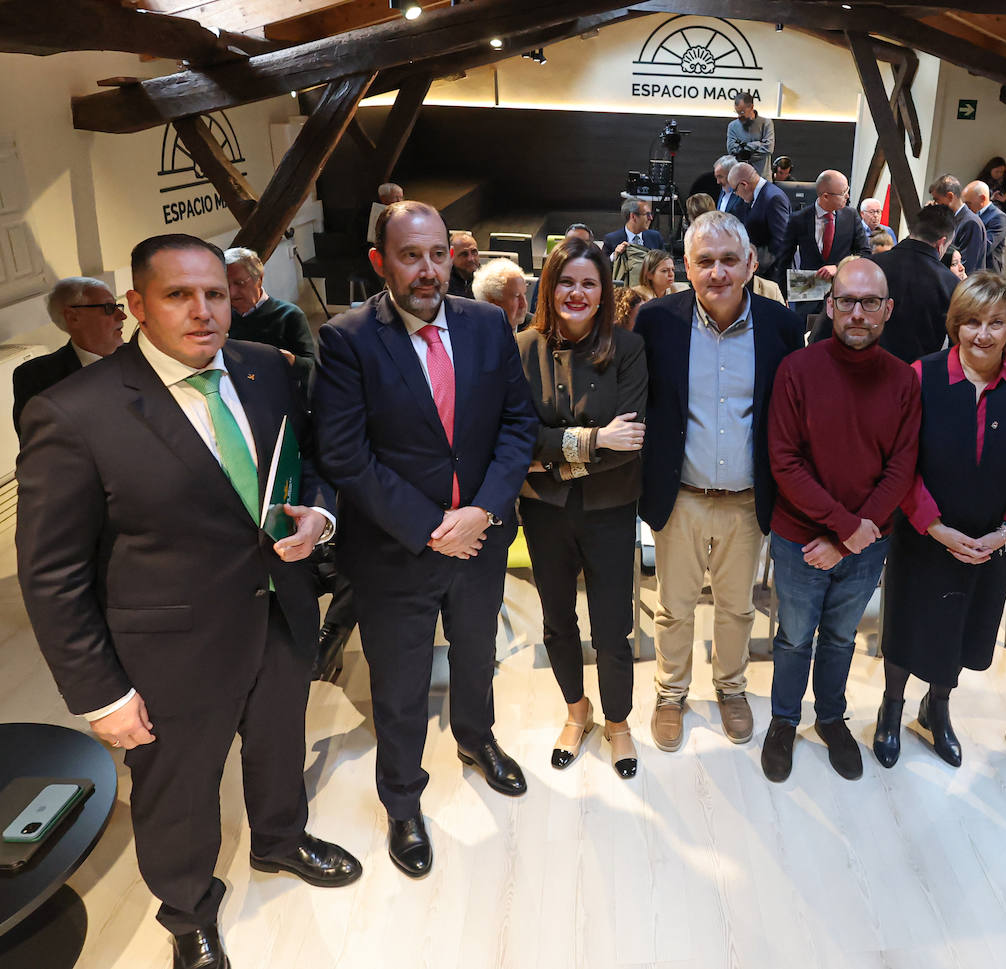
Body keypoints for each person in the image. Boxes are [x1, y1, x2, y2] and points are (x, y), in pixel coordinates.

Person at [17, 233, 361, 969]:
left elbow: (313, 465)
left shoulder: (267, 368)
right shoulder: (73, 413)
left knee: (278, 744)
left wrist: (319, 516)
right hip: (170, 645)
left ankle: (279, 838)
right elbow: (51, 574)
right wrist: (101, 693)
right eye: (178, 295)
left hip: (279, 612)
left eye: (213, 293)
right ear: (137, 305)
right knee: (176, 786)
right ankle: (187, 908)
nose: (203, 310)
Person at [313, 201, 539, 877]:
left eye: (438, 253)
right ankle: (404, 800)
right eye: (411, 255)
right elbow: (345, 454)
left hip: (479, 543)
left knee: (477, 656)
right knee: (401, 684)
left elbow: (518, 426)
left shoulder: (486, 325)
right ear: (381, 262)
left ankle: (477, 740)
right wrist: (430, 527)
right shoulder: (346, 338)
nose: (428, 269)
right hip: (393, 551)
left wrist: (482, 511)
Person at [635, 210, 804, 752]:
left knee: (737, 606)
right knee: (674, 606)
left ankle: (731, 689)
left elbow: (789, 413)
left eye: (729, 260)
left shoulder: (780, 325)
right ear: (686, 265)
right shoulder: (657, 321)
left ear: (750, 264)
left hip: (747, 500)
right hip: (680, 496)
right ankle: (669, 694)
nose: (717, 273)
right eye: (704, 261)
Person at [875, 272, 1006, 770]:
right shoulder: (921, 375)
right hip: (924, 534)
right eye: (972, 322)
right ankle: (893, 705)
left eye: (996, 323)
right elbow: (899, 462)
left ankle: (938, 705)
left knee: (965, 628)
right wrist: (934, 526)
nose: (983, 334)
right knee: (908, 625)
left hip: (993, 540)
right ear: (955, 325)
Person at [762, 258, 920, 783]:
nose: (857, 313)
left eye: (869, 302)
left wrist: (854, 536)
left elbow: (902, 467)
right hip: (801, 539)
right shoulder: (797, 370)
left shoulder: (903, 380)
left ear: (887, 310)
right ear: (829, 306)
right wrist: (840, 529)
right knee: (794, 637)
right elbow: (784, 462)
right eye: (847, 301)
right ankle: (784, 720)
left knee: (840, 638)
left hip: (868, 541)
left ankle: (830, 717)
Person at [517, 238, 648, 779]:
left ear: (603, 292)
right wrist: (595, 441)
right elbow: (521, 438)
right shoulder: (523, 347)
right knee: (555, 622)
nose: (577, 292)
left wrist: (556, 455)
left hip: (611, 508)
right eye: (566, 281)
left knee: (613, 626)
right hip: (543, 514)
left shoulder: (628, 348)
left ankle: (618, 722)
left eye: (588, 283)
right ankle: (578, 711)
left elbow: (633, 440)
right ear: (549, 287)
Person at [13, 276, 126, 432]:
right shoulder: (36, 377)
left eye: (118, 306)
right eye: (109, 308)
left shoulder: (139, 357)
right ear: (73, 317)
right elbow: (38, 449)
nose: (122, 316)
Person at [870, 203, 959, 362]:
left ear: (913, 231)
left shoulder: (870, 265)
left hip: (862, 369)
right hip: (917, 376)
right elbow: (957, 346)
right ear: (941, 243)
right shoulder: (950, 283)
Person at [225, 247, 317, 392]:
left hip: (281, 393)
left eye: (239, 283)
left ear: (259, 279)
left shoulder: (289, 315)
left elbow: (311, 368)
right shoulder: (223, 317)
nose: (231, 292)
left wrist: (289, 360)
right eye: (226, 285)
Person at [776, 169, 870, 310]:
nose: (848, 196)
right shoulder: (799, 219)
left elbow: (865, 254)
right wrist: (783, 297)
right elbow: (783, 260)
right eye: (843, 193)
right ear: (825, 196)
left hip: (842, 294)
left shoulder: (851, 216)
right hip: (808, 294)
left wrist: (838, 268)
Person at [730, 161, 792, 282]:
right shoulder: (756, 196)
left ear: (744, 184)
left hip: (771, 277)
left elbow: (782, 242)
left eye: (735, 190)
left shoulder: (774, 198)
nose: (736, 194)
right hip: (758, 272)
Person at [929, 173, 988, 272]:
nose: (935, 204)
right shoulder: (951, 219)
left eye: (937, 200)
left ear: (950, 196)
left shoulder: (971, 223)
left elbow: (967, 266)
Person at [473, 256, 532, 332]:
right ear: (492, 303)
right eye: (516, 296)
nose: (523, 304)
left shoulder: (536, 330)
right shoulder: (473, 334)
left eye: (524, 294)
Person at [963, 180, 1006, 274]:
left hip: (988, 273)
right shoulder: (969, 214)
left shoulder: (999, 217)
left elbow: (985, 246)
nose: (966, 207)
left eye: (969, 203)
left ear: (982, 198)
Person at [726, 92, 775, 176]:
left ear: (751, 107)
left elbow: (768, 148)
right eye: (737, 112)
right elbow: (731, 149)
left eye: (742, 112)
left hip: (762, 178)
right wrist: (757, 144)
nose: (739, 116)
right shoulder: (732, 126)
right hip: (740, 177)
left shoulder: (766, 123)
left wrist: (744, 150)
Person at [976, 157, 1006, 223]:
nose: (999, 174)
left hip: (1001, 219)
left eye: (1002, 172)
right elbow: (976, 204)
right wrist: (991, 199)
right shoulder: (981, 183)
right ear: (990, 170)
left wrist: (1004, 200)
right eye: (997, 172)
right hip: (985, 219)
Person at [448, 229, 479, 299]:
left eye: (474, 252)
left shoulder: (486, 278)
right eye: (464, 254)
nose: (471, 259)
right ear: (451, 256)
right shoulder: (443, 283)